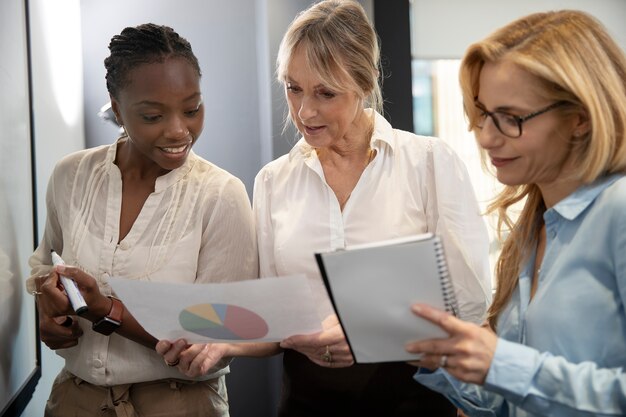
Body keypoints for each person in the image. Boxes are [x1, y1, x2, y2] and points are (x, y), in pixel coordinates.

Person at [252, 1, 492, 415]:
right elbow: (272, 311)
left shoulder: (430, 163)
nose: (305, 111)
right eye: (293, 87)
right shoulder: (273, 181)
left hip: (412, 398)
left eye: (325, 92)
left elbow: (469, 308)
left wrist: (373, 329)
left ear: (366, 82)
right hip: (307, 401)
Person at [26, 23, 257, 416]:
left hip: (179, 404)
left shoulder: (221, 195)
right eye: (152, 115)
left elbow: (215, 341)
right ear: (117, 108)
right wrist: (50, 310)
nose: (179, 130)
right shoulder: (71, 175)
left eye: (192, 109)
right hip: (73, 400)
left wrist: (107, 310)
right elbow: (44, 265)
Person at [405, 9, 626, 417]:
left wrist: (502, 365)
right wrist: (440, 358)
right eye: (485, 114)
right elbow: (513, 401)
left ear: (579, 117)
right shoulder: (532, 226)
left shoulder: (618, 211)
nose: (487, 138)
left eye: (511, 118)